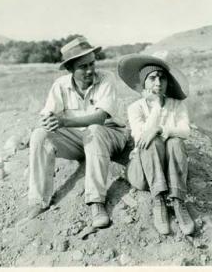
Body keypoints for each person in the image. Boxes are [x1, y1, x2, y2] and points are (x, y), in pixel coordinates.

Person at [27, 37, 130, 228]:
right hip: (81, 142)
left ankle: (96, 201)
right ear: (70, 69)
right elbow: (47, 113)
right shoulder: (60, 85)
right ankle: (39, 200)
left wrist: (64, 120)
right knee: (40, 135)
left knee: (94, 129)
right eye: (83, 66)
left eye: (92, 63)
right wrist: (48, 120)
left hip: (110, 135)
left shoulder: (106, 78)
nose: (90, 70)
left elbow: (100, 118)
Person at [117, 54, 195, 235]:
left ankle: (177, 201)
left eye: (162, 77)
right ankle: (158, 199)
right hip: (144, 172)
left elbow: (185, 131)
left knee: (175, 142)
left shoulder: (177, 105)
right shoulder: (135, 108)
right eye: (152, 78)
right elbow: (141, 137)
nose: (158, 82)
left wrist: (160, 129)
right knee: (151, 142)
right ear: (144, 83)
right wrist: (157, 108)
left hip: (170, 170)